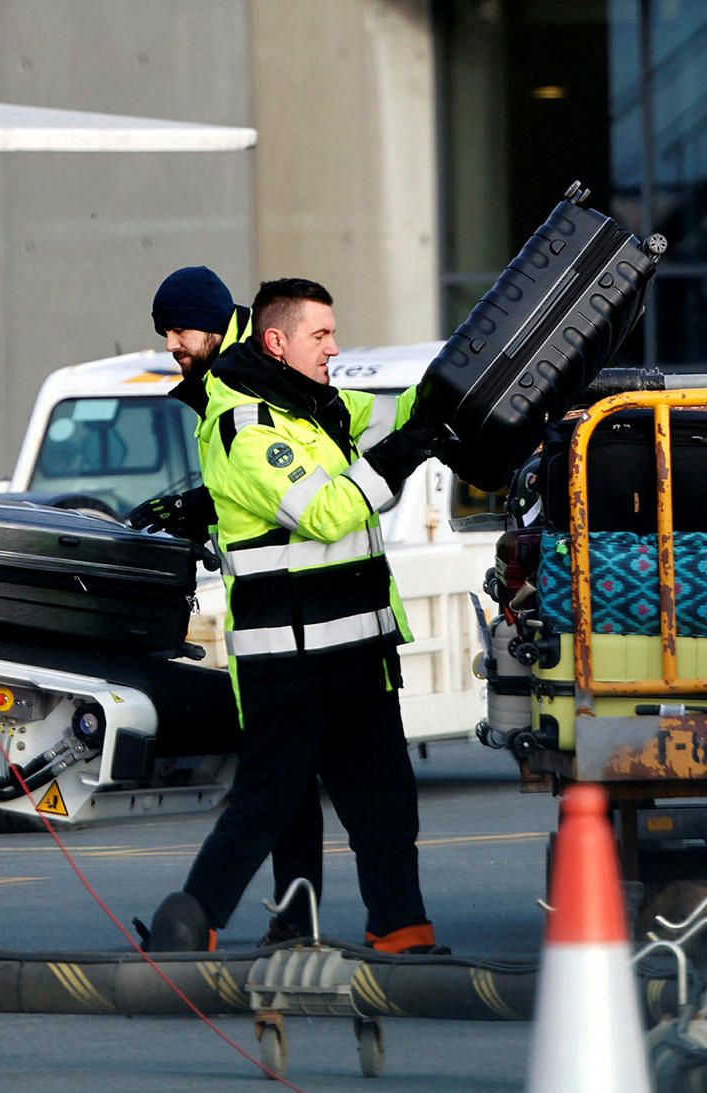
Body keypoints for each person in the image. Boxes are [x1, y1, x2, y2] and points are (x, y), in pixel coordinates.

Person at [146, 277, 448, 955]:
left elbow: (390, 418)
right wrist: (407, 449)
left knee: (383, 801)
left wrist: (448, 396)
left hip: (356, 646)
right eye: (323, 337)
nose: (171, 345)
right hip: (289, 656)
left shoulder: (312, 402)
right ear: (275, 340)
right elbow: (325, 510)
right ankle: (191, 921)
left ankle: (398, 929)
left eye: (179, 330)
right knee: (271, 800)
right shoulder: (243, 418)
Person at [130, 266, 323, 949]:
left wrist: (201, 504)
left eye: (178, 331)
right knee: (296, 782)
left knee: (276, 781)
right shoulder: (230, 371)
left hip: (296, 618)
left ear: (210, 324)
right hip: (291, 617)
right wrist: (197, 504)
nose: (172, 346)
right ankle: (302, 920)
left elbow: (279, 476)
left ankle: (199, 917)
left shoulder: (241, 376)